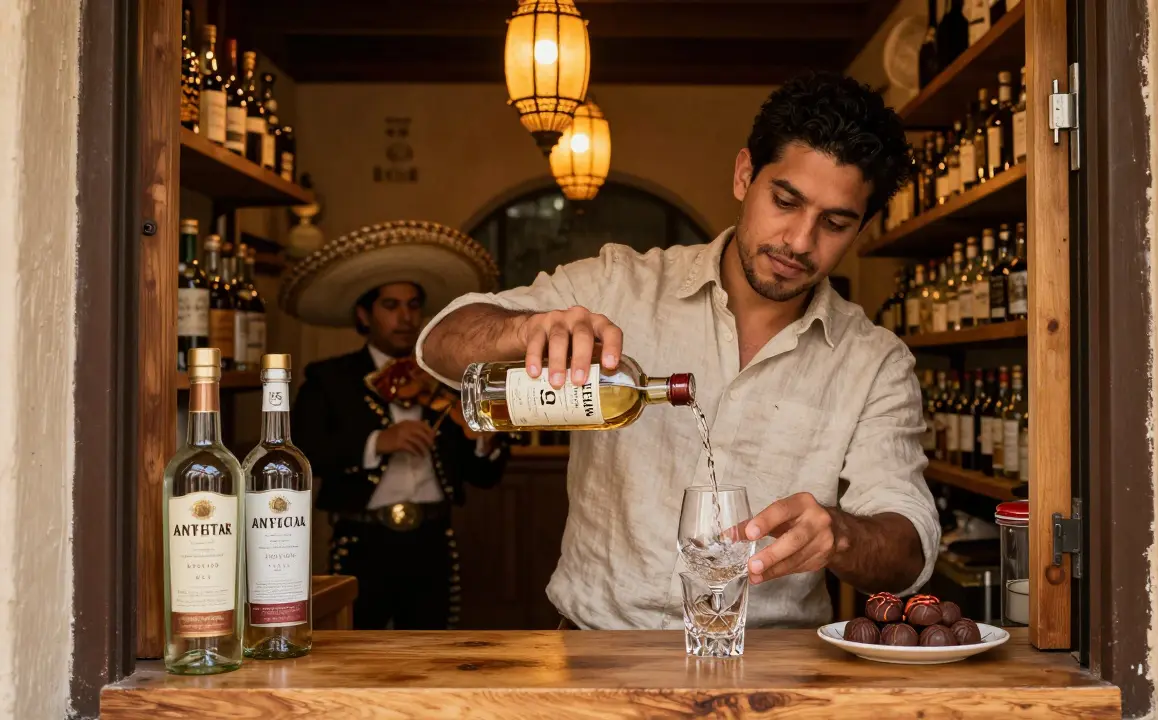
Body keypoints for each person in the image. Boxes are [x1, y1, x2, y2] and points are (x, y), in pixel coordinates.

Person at [417, 73, 940, 630]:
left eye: (834, 223)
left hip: (768, 674)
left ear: (859, 227)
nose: (799, 241)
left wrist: (840, 534)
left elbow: (908, 550)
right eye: (785, 202)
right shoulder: (618, 283)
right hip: (594, 655)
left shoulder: (874, 361)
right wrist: (522, 332)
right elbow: (441, 340)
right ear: (744, 175)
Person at [280, 220, 510, 630]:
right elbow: (303, 453)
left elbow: (485, 476)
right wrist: (377, 442)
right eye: (391, 306)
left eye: (413, 305)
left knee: (434, 654)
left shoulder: (449, 381)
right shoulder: (329, 378)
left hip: (434, 540)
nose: (405, 317)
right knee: (352, 655)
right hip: (362, 542)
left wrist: (485, 443)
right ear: (364, 314)